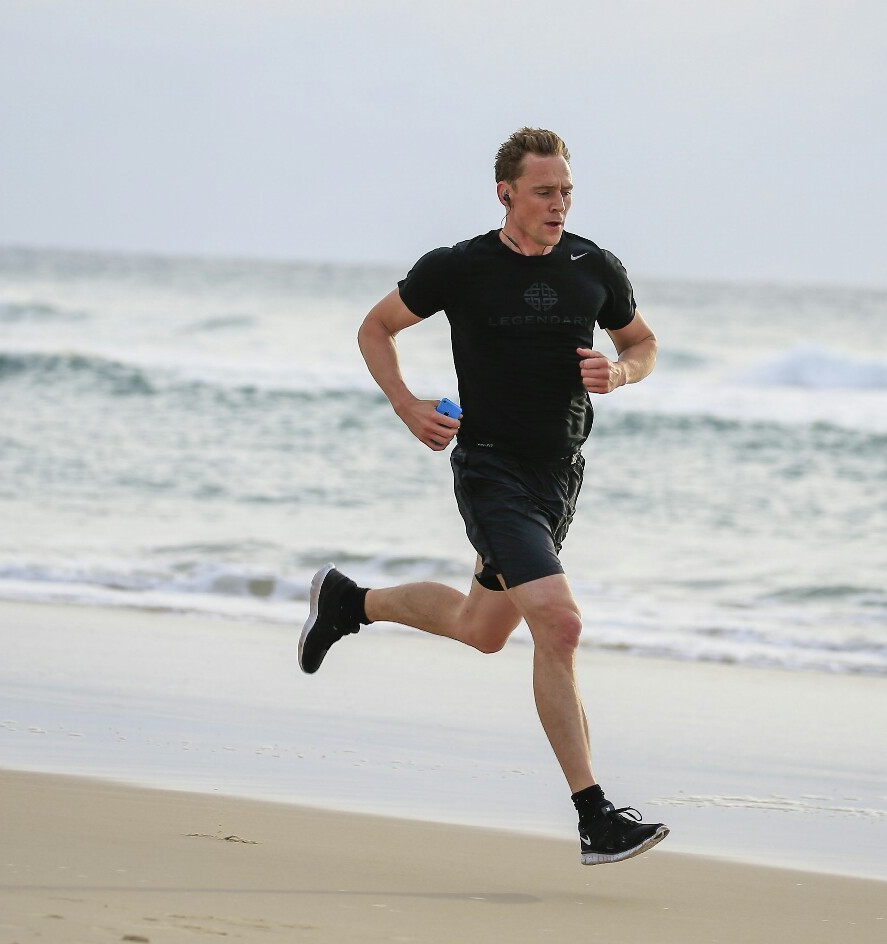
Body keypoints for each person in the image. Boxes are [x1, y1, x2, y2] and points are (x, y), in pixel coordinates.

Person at [298, 127, 668, 866]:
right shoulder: (459, 267)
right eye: (544, 192)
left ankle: (349, 602)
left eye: (566, 192)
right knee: (559, 623)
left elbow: (642, 343)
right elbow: (377, 327)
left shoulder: (594, 266)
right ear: (506, 194)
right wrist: (405, 404)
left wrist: (621, 372)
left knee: (484, 628)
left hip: (559, 476)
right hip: (491, 472)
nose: (559, 204)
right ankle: (595, 817)